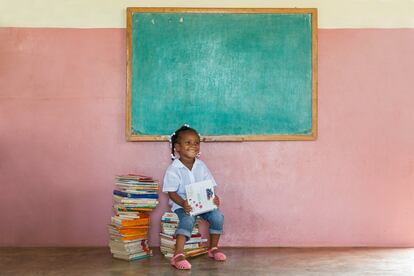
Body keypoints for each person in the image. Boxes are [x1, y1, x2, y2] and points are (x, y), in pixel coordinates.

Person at [162, 125, 226, 270]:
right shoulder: (174, 169)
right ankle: (178, 255)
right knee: (188, 219)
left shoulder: (201, 166)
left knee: (217, 216)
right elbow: (171, 193)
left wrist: (214, 198)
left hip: (202, 204)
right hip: (183, 205)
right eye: (188, 142)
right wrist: (183, 203)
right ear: (177, 147)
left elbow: (208, 186)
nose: (193, 146)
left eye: (196, 142)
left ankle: (213, 248)